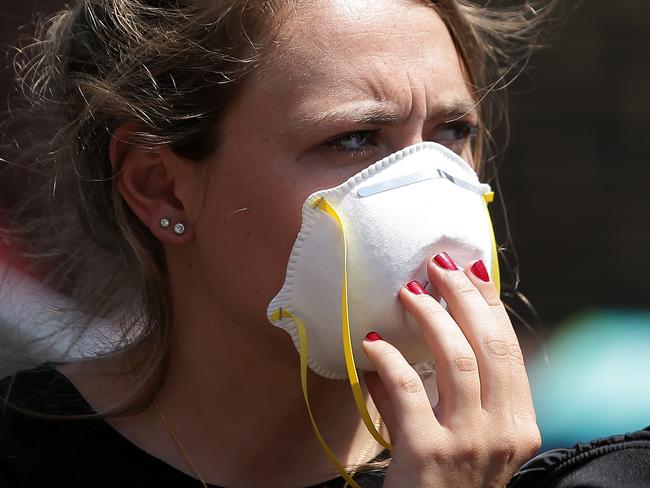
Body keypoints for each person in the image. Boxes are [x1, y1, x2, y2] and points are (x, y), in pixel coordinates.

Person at [0, 1, 556, 486]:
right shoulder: (20, 457)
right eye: (355, 138)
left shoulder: (531, 472)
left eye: (452, 132)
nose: (430, 188)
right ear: (162, 188)